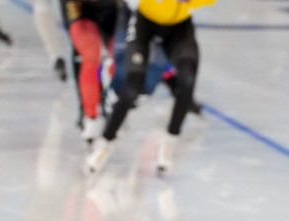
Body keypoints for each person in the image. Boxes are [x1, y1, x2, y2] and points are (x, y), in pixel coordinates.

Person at [85, 0, 213, 175]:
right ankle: (106, 142)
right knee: (132, 87)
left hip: (179, 26)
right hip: (144, 24)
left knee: (188, 80)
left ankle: (170, 139)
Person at [60, 0, 122, 143]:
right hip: (80, 9)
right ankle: (89, 112)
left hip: (113, 8)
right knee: (89, 54)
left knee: (119, 54)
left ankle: (112, 103)